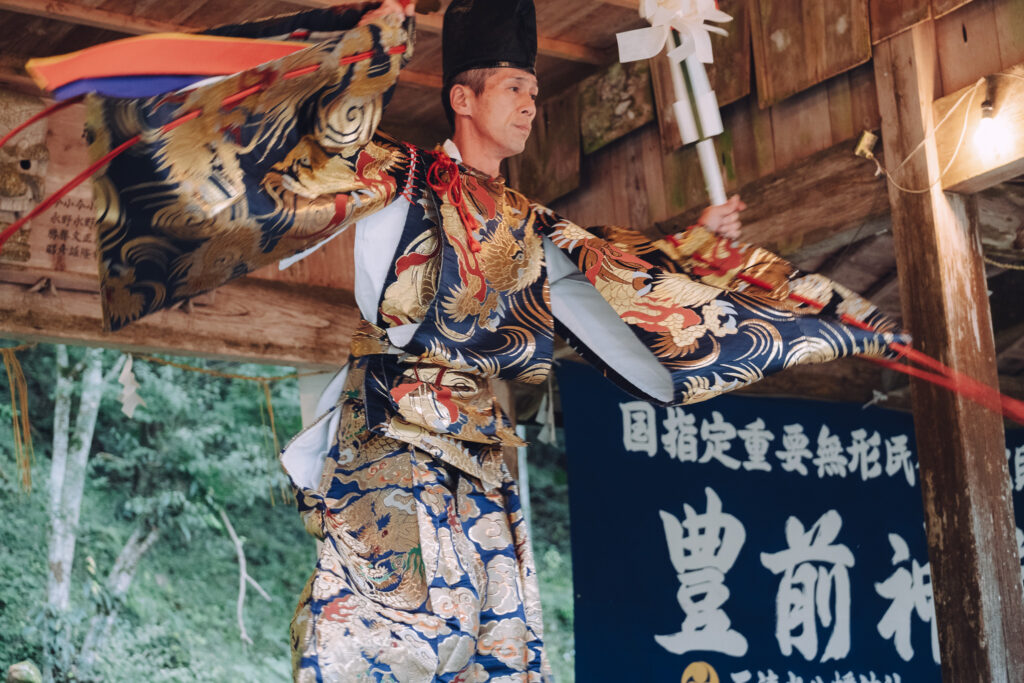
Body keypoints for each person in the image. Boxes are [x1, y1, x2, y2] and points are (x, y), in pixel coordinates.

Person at [79, 0, 900, 679]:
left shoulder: (533, 228)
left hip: (481, 450)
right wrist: (375, 44)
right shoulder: (397, 176)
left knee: (493, 651)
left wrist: (697, 259)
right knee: (384, 637)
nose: (530, 102)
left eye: (535, 91)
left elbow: (621, 301)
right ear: (462, 99)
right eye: (514, 85)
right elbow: (309, 155)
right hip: (394, 443)